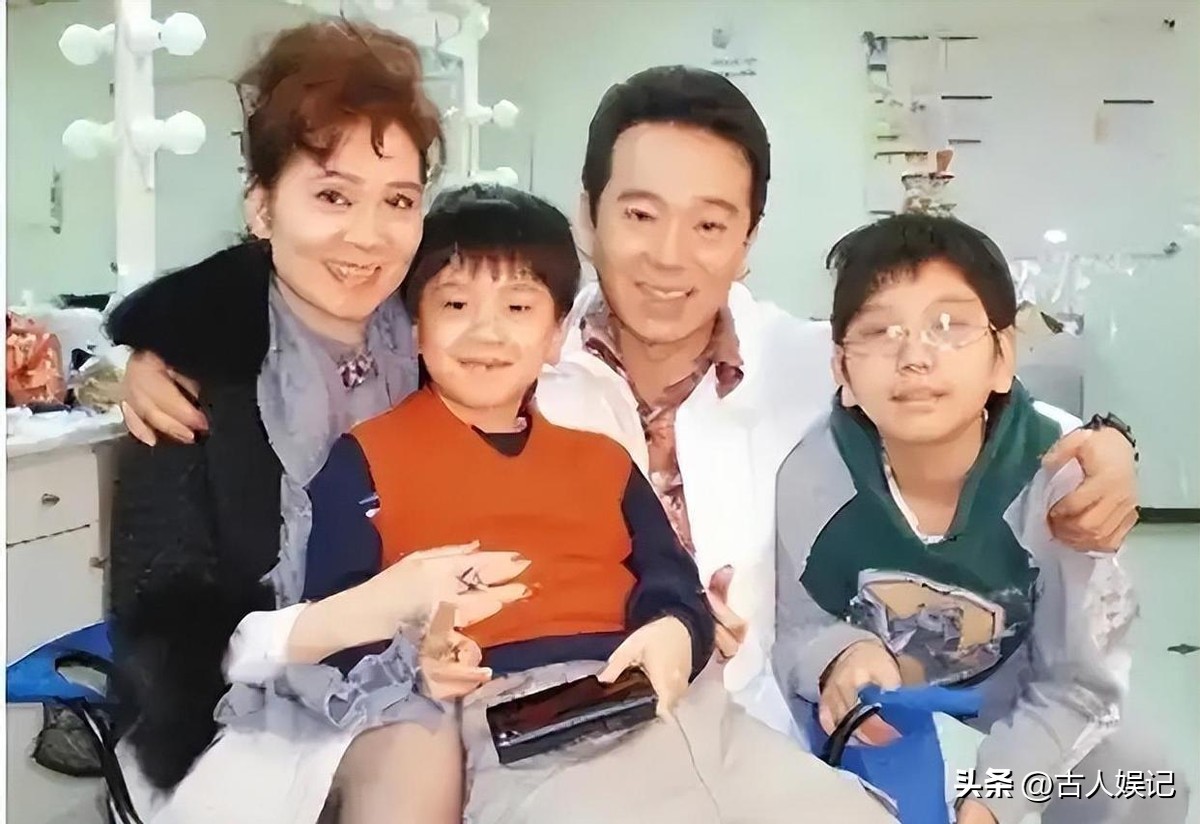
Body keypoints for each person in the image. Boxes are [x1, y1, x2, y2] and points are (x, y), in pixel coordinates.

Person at [118, 65, 1141, 737]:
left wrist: (1107, 443)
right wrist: (158, 347)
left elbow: (958, 398)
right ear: (589, 214)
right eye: (641, 214)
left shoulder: (810, 363)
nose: (669, 256)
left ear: (749, 239)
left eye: (710, 224)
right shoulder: (507, 357)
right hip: (533, 734)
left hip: (768, 731)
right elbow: (338, 296)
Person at [300, 181, 898, 823]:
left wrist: (675, 631)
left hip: (678, 704)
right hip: (524, 729)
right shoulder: (367, 459)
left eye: (518, 307)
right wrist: (411, 664)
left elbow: (671, 581)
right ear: (415, 328)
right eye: (455, 304)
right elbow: (330, 622)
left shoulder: (602, 461)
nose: (486, 331)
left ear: (556, 335)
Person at [106, 20, 527, 824]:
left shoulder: (444, 341)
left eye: (398, 201)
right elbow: (167, 640)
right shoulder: (197, 372)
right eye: (333, 195)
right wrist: (366, 612)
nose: (368, 236)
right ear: (263, 207)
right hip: (239, 717)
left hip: (438, 677)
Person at [771, 214, 1189, 824]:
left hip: (1022, 694)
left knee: (1142, 780)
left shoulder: (1063, 477)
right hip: (883, 704)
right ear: (842, 371)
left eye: (949, 326)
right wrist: (837, 654)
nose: (914, 356)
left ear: (1002, 358)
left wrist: (996, 797)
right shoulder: (812, 477)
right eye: (881, 331)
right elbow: (795, 629)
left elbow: (1080, 682)